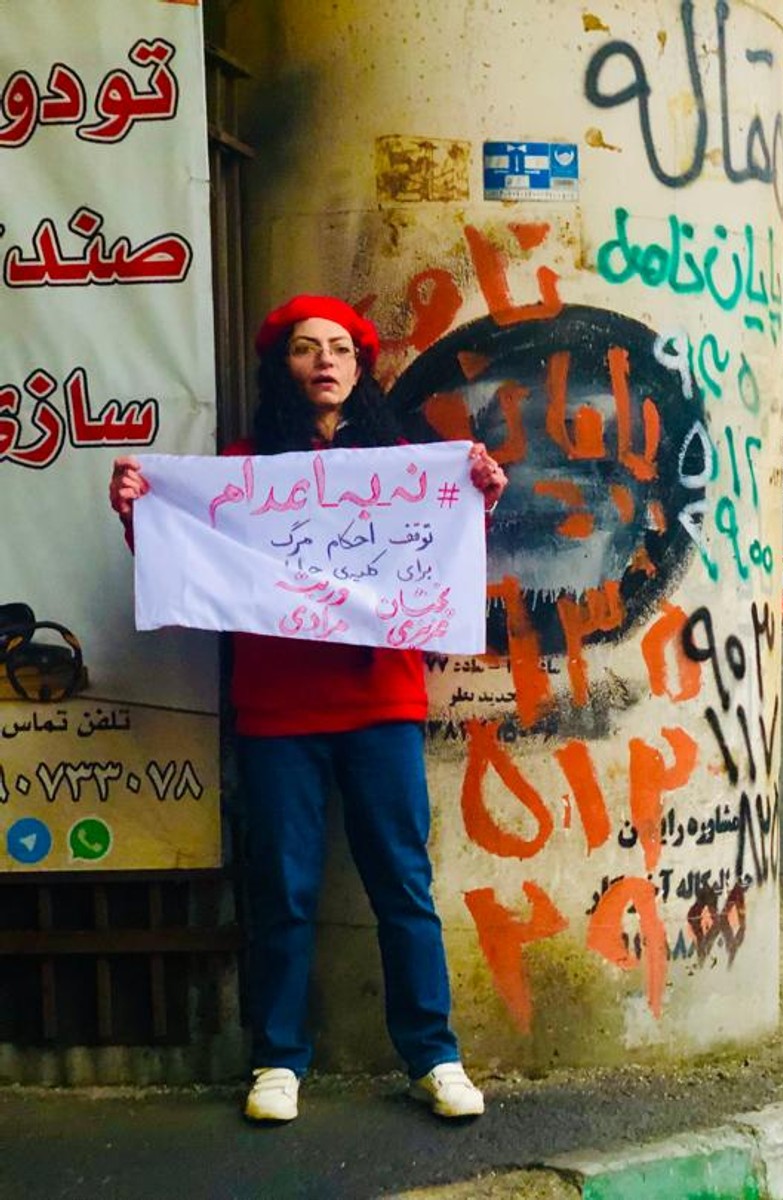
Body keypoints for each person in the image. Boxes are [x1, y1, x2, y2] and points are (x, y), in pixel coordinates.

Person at [108, 295, 507, 1124]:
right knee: (282, 889)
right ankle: (278, 1059)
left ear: (360, 368)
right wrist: (139, 511)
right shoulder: (242, 467)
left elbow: (445, 553)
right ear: (281, 367)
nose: (324, 360)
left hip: (380, 702)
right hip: (278, 711)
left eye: (339, 347)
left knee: (402, 883)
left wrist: (480, 499)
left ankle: (433, 1055)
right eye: (304, 347)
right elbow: (190, 560)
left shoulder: (405, 465)